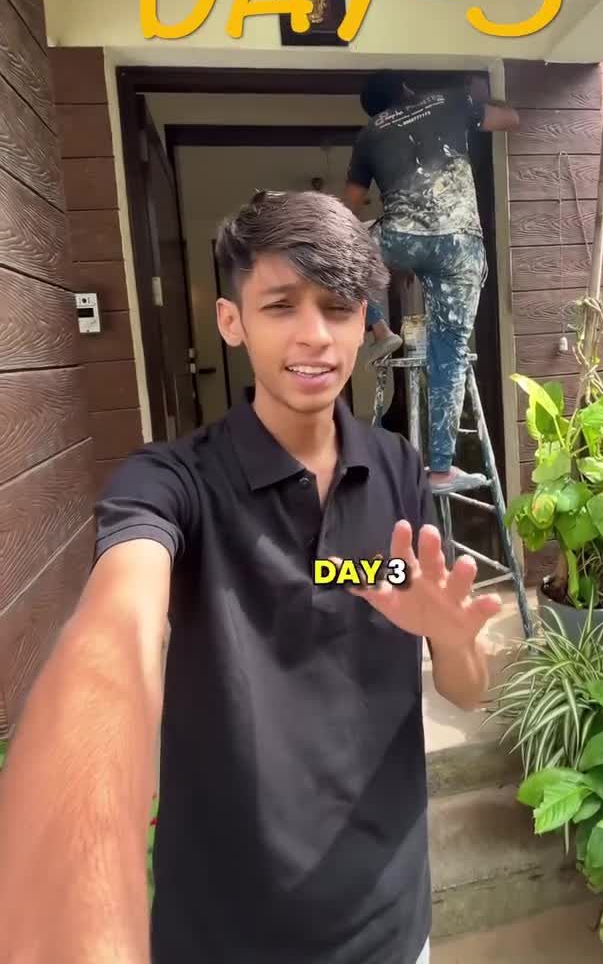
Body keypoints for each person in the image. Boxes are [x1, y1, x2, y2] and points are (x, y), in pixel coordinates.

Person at [0, 190, 502, 964]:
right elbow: (116, 632)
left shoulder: (398, 469)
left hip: (391, 929)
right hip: (225, 937)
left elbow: (463, 689)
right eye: (281, 305)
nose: (314, 336)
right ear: (231, 321)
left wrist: (453, 640)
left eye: (338, 308)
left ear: (364, 323)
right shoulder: (172, 482)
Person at [344, 71, 520, 496]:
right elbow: (510, 119)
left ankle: (380, 328)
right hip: (459, 244)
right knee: (449, 351)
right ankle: (440, 469)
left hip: (401, 238)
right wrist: (484, 95)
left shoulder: (369, 134)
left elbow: (348, 207)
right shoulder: (449, 100)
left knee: (345, 245)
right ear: (405, 89)